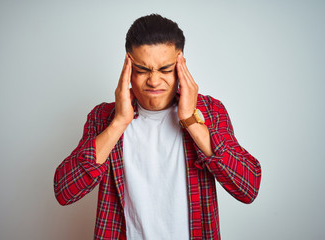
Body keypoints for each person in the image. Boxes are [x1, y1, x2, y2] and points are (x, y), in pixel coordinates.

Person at [54, 14, 261, 240]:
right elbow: (65, 192)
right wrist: (119, 122)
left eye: (165, 69)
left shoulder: (210, 111)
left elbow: (248, 188)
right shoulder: (103, 117)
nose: (153, 81)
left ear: (181, 64)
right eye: (143, 70)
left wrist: (190, 120)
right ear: (128, 66)